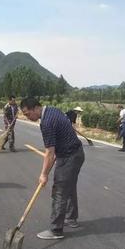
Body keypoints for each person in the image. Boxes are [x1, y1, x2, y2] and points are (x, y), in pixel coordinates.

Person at [20, 97, 85, 240]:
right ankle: (71, 219)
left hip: (69, 156)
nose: (27, 117)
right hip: (75, 153)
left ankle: (56, 230)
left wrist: (44, 174)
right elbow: (57, 142)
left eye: (27, 114)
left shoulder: (47, 122)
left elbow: (49, 152)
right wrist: (55, 156)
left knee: (60, 190)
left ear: (36, 108)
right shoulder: (52, 110)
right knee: (69, 187)